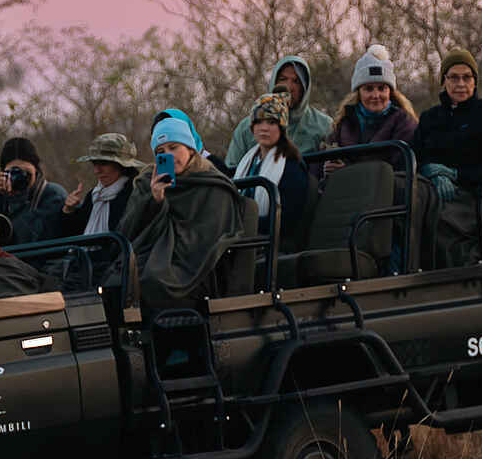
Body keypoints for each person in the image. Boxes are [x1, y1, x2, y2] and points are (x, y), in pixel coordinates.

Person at [122, 111, 244, 311]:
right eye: (161, 152)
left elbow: (204, 239)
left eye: (174, 147)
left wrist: (165, 250)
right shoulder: (146, 183)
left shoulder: (213, 186)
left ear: (190, 148)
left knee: (154, 280)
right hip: (149, 254)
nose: (168, 155)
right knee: (119, 277)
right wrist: (155, 201)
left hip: (193, 266)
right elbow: (128, 231)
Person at [411, 48, 482, 267]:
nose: (460, 83)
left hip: (476, 197)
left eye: (466, 77)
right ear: (444, 81)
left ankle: (442, 276)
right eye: (453, 77)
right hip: (432, 191)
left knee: (430, 217)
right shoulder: (430, 118)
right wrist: (431, 173)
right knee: (406, 206)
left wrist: (457, 175)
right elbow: (414, 157)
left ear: (475, 81)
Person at [319, 45, 419, 183]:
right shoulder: (344, 123)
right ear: (359, 92)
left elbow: (399, 169)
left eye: (382, 88)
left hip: (385, 195)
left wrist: (348, 171)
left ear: (390, 91)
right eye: (369, 89)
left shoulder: (404, 123)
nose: (376, 95)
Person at [224, 56, 332, 167]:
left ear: (304, 88)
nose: (289, 87)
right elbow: (231, 170)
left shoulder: (323, 125)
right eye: (283, 79)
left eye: (296, 81)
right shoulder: (247, 127)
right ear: (274, 82)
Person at [230, 92, 308, 239]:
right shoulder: (247, 161)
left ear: (282, 127)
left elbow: (288, 219)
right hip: (242, 236)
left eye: (271, 122)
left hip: (272, 242)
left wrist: (248, 227)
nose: (264, 128)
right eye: (259, 122)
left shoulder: (292, 165)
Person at [58, 133, 144, 238]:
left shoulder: (137, 194)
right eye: (94, 163)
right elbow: (73, 235)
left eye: (103, 163)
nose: (96, 171)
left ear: (122, 165)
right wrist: (68, 211)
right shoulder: (95, 196)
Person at [0, 137, 67, 245]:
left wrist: (17, 200)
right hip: (6, 260)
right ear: (4, 173)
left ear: (36, 169)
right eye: (13, 172)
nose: (20, 178)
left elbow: (33, 237)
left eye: (25, 172)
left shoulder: (52, 194)